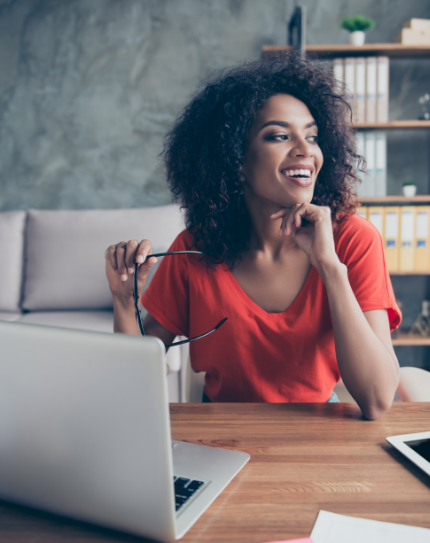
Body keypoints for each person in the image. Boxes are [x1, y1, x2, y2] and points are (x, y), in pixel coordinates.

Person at [105, 52, 401, 420]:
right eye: (279, 135)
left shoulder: (354, 239)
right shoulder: (195, 248)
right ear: (236, 160)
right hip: (220, 434)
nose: (306, 150)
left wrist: (329, 266)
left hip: (316, 436)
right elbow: (131, 380)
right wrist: (122, 299)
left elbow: (376, 400)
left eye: (312, 136)